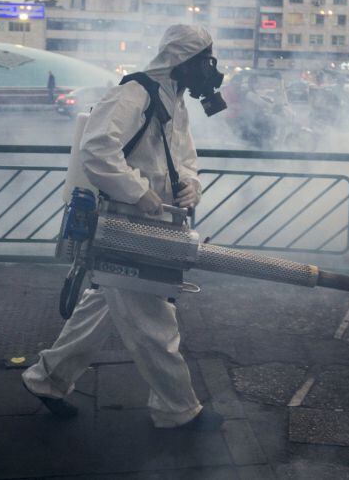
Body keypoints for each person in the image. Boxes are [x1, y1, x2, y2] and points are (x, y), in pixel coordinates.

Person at [22, 24, 225, 430]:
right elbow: (96, 148)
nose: (211, 69)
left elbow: (182, 156)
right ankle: (177, 409)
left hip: (152, 220)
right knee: (153, 320)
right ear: (182, 61)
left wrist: (191, 185)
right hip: (126, 221)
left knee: (106, 303)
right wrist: (136, 191)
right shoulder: (134, 93)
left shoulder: (174, 100)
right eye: (204, 60)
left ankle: (48, 379)